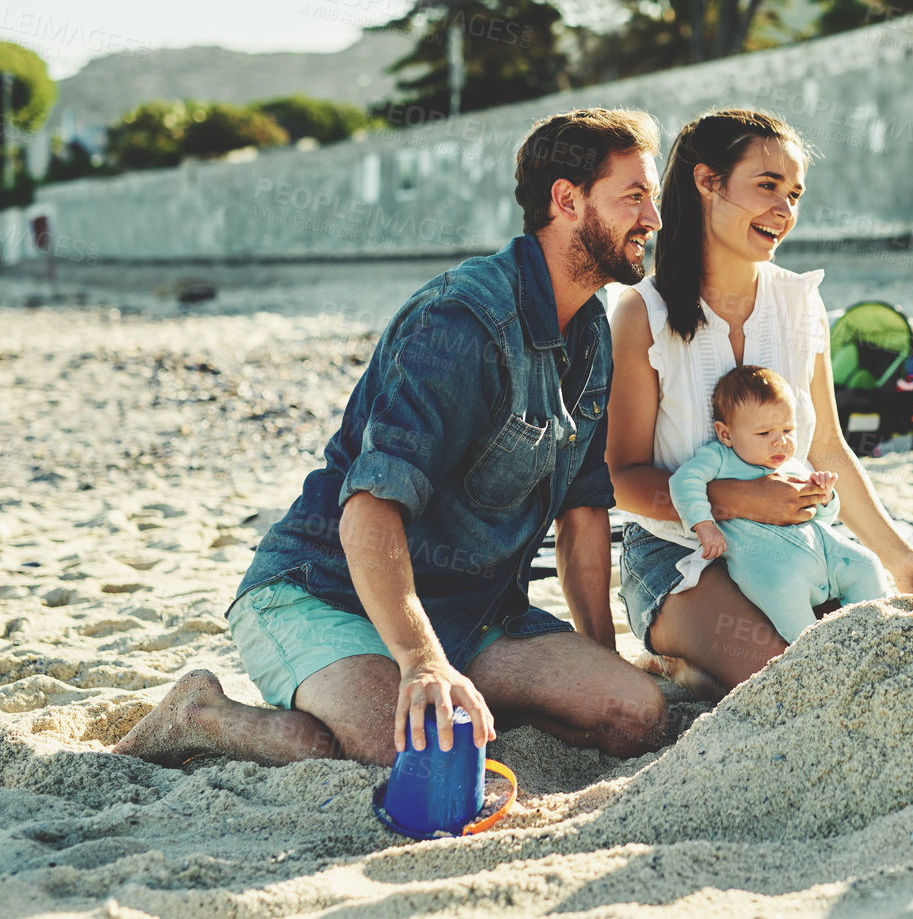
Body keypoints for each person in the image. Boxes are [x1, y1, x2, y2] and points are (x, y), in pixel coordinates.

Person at [116, 109, 670, 767]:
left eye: (653, 198)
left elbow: (583, 513)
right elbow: (367, 511)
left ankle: (432, 705)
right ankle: (203, 715)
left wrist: (598, 653)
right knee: (413, 757)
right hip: (325, 591)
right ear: (566, 199)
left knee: (636, 714)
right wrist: (421, 662)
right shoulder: (459, 321)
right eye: (634, 195)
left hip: (473, 613)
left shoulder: (589, 333)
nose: (653, 219)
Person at [607, 108, 913, 699]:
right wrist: (740, 499)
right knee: (792, 676)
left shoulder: (802, 303)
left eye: (795, 193)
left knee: (869, 653)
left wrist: (899, 557)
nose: (785, 210)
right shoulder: (640, 314)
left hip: (799, 545)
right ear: (707, 182)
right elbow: (621, 479)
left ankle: (703, 669)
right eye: (767, 186)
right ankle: (685, 655)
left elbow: (827, 445)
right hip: (678, 551)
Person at [670, 365, 890, 645]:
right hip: (773, 564)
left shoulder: (791, 465)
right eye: (764, 433)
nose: (781, 442)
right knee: (783, 590)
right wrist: (704, 525)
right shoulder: (720, 458)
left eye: (788, 429)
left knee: (866, 564)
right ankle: (815, 650)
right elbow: (683, 481)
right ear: (726, 434)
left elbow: (821, 519)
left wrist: (824, 497)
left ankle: (877, 632)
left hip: (824, 550)